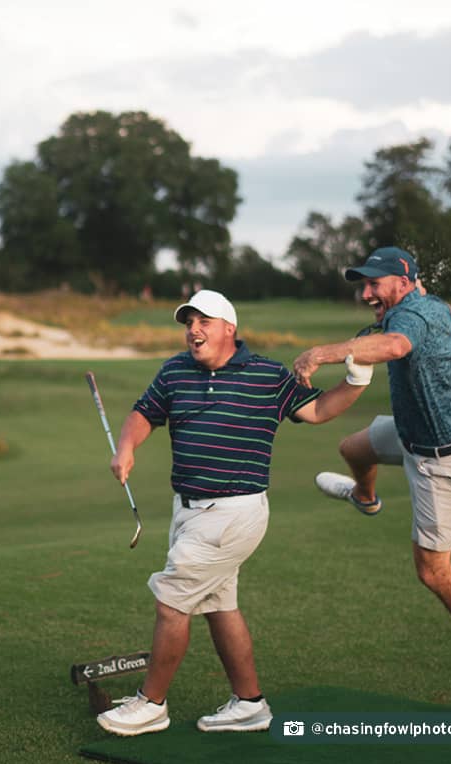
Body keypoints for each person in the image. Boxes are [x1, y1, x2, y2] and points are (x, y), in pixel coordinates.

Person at [96, 289, 373, 737]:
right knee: (219, 605)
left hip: (233, 512)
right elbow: (144, 413)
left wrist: (357, 381)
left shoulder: (265, 374)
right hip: (187, 510)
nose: (193, 330)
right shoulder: (174, 371)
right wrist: (127, 447)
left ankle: (152, 704)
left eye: (203, 321)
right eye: (188, 322)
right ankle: (250, 703)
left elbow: (318, 409)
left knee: (172, 599)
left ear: (229, 329)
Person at [292, 246, 451, 700]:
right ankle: (365, 497)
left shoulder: (411, 318)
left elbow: (396, 345)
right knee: (352, 448)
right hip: (411, 434)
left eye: (374, 284)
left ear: (403, 280)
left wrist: (322, 353)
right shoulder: (420, 306)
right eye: (363, 285)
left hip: (440, 461)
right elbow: (435, 317)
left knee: (433, 572)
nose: (366, 293)